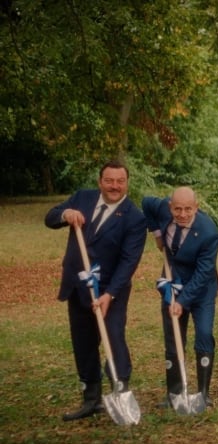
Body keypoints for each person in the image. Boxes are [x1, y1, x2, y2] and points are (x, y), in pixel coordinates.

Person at [44, 161, 147, 421]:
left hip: (112, 289)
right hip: (79, 285)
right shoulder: (82, 198)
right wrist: (65, 214)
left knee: (113, 336)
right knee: (84, 342)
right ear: (100, 181)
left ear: (127, 183)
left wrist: (109, 295)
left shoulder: (134, 218)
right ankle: (91, 399)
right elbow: (50, 218)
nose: (114, 186)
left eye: (120, 181)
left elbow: (128, 262)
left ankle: (120, 386)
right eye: (109, 180)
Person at [142, 187, 218, 408]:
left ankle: (203, 394)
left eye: (188, 209)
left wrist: (183, 301)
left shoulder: (208, 232)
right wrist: (157, 233)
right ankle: (174, 393)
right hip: (172, 282)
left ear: (197, 207)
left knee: (204, 333)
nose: (183, 214)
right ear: (170, 207)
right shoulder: (162, 209)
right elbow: (147, 201)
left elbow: (204, 273)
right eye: (178, 209)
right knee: (173, 339)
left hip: (202, 289)